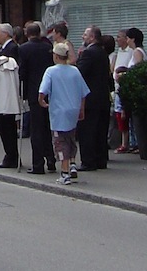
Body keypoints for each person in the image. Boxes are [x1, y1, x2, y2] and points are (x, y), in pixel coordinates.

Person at [39, 42, 90, 185]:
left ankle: (64, 172)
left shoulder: (51, 71)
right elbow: (83, 93)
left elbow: (43, 91)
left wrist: (41, 101)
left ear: (56, 56)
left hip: (58, 111)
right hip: (73, 109)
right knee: (71, 138)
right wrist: (81, 109)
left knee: (60, 142)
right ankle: (73, 163)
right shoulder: (75, 71)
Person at [18, 21, 55, 174]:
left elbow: (22, 72)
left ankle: (38, 164)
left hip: (34, 92)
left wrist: (22, 92)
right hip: (49, 92)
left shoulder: (24, 48)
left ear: (27, 34)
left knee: (36, 130)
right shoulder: (48, 48)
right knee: (47, 127)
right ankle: (51, 160)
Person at [76, 24, 112, 170]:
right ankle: (101, 160)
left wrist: (78, 60)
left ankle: (89, 161)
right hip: (103, 98)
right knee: (100, 131)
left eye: (85, 35)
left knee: (88, 131)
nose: (82, 37)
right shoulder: (103, 53)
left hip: (90, 99)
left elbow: (79, 73)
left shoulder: (88, 53)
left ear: (92, 37)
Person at [0, 23, 21, 168]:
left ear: (6, 33)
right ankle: (10, 154)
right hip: (0, 91)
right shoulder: (1, 48)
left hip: (7, 92)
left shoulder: (12, 48)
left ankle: (12, 156)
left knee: (8, 127)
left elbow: (11, 64)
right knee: (3, 126)